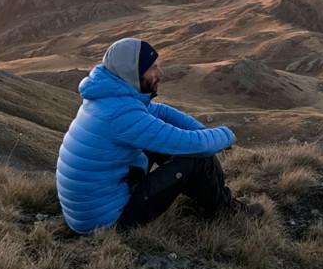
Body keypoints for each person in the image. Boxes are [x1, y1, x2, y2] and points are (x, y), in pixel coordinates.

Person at [56, 36, 253, 234]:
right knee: (196, 157)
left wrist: (201, 129)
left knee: (179, 145)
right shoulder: (121, 115)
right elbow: (192, 144)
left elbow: (160, 111)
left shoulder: (108, 98)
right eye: (153, 68)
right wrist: (227, 134)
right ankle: (224, 211)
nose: (160, 73)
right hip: (108, 223)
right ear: (132, 73)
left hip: (89, 213)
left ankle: (212, 198)